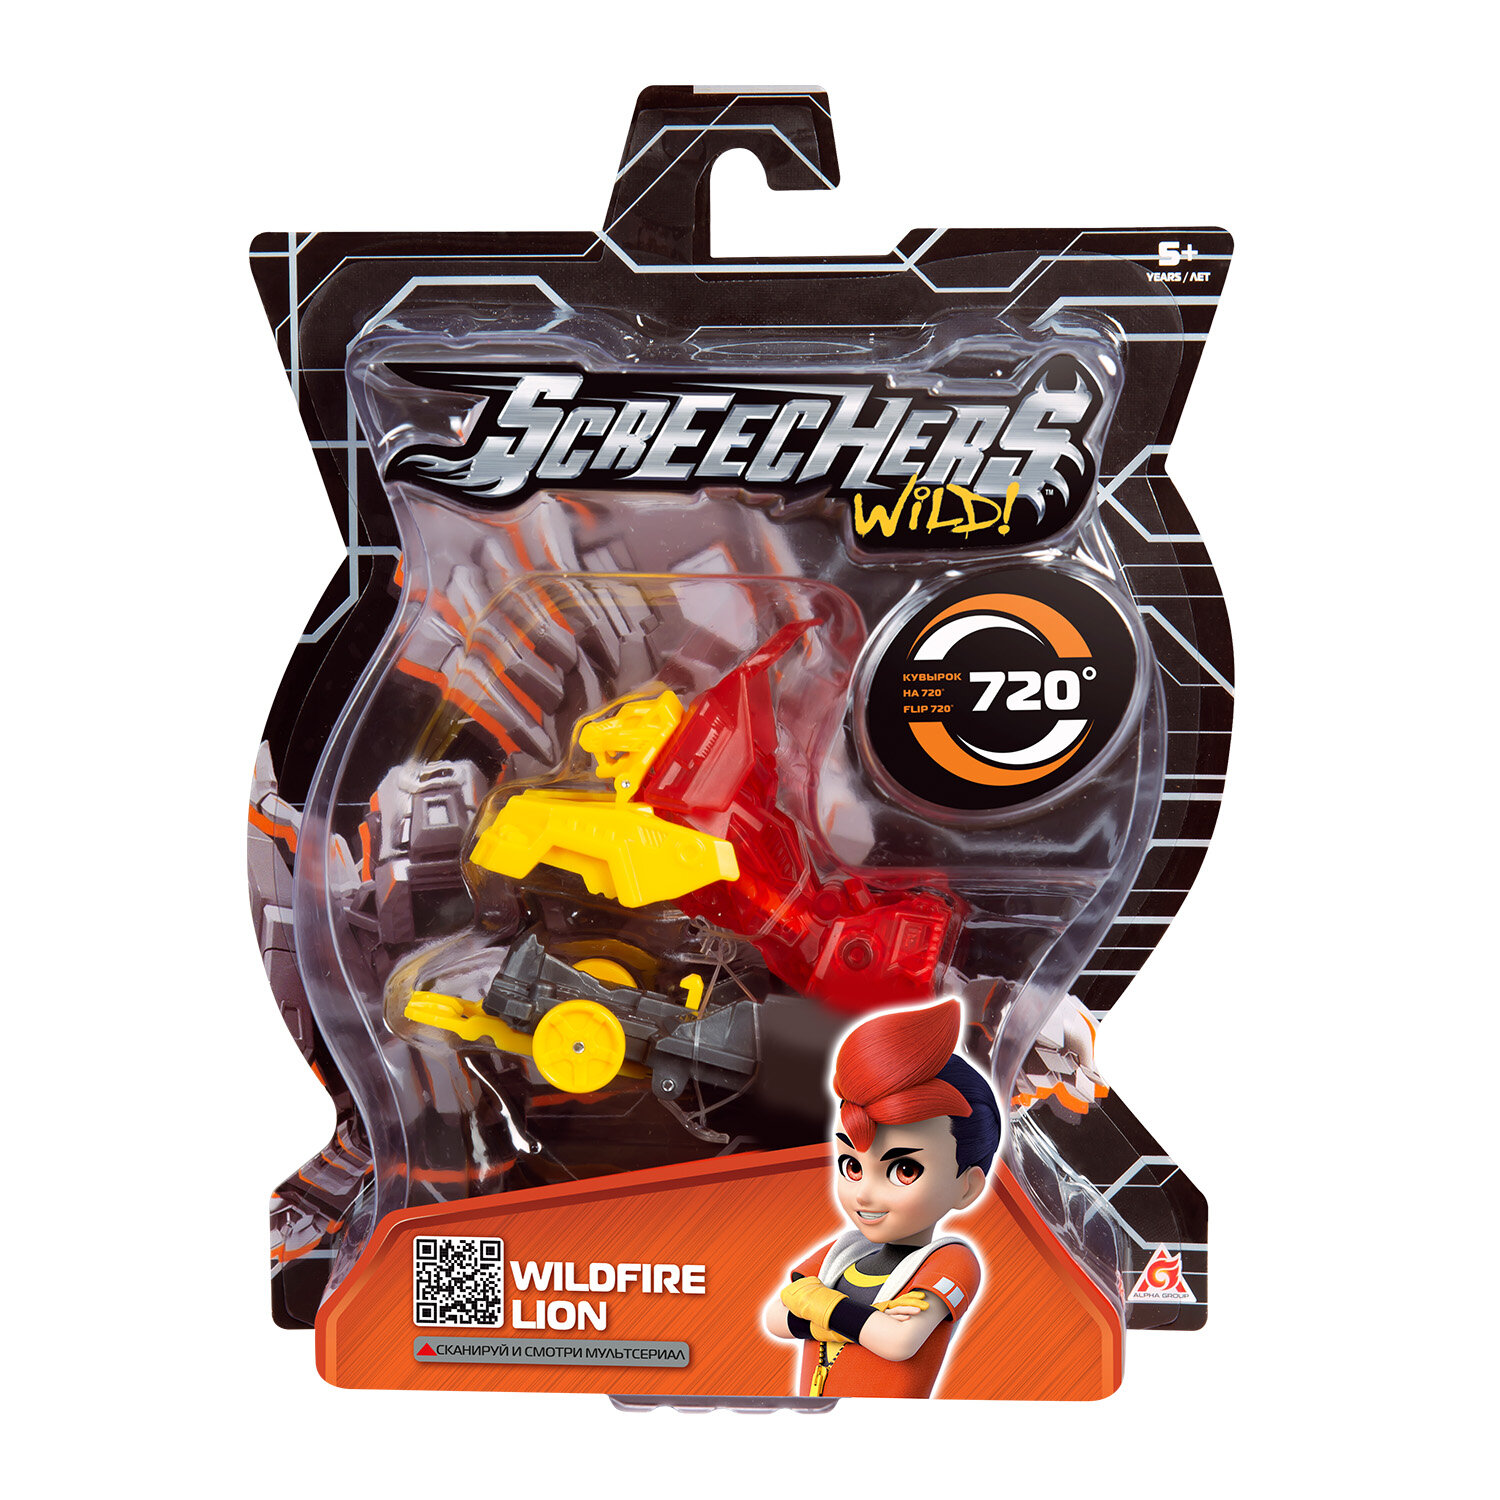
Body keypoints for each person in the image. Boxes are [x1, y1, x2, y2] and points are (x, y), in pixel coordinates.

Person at [763, 998, 1002, 1397]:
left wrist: (819, 1303)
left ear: (968, 1186)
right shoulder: (844, 1251)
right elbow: (775, 1317)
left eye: (904, 1171)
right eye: (852, 1166)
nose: (864, 1193)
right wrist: (867, 1320)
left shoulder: (951, 1261)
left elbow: (899, 1342)